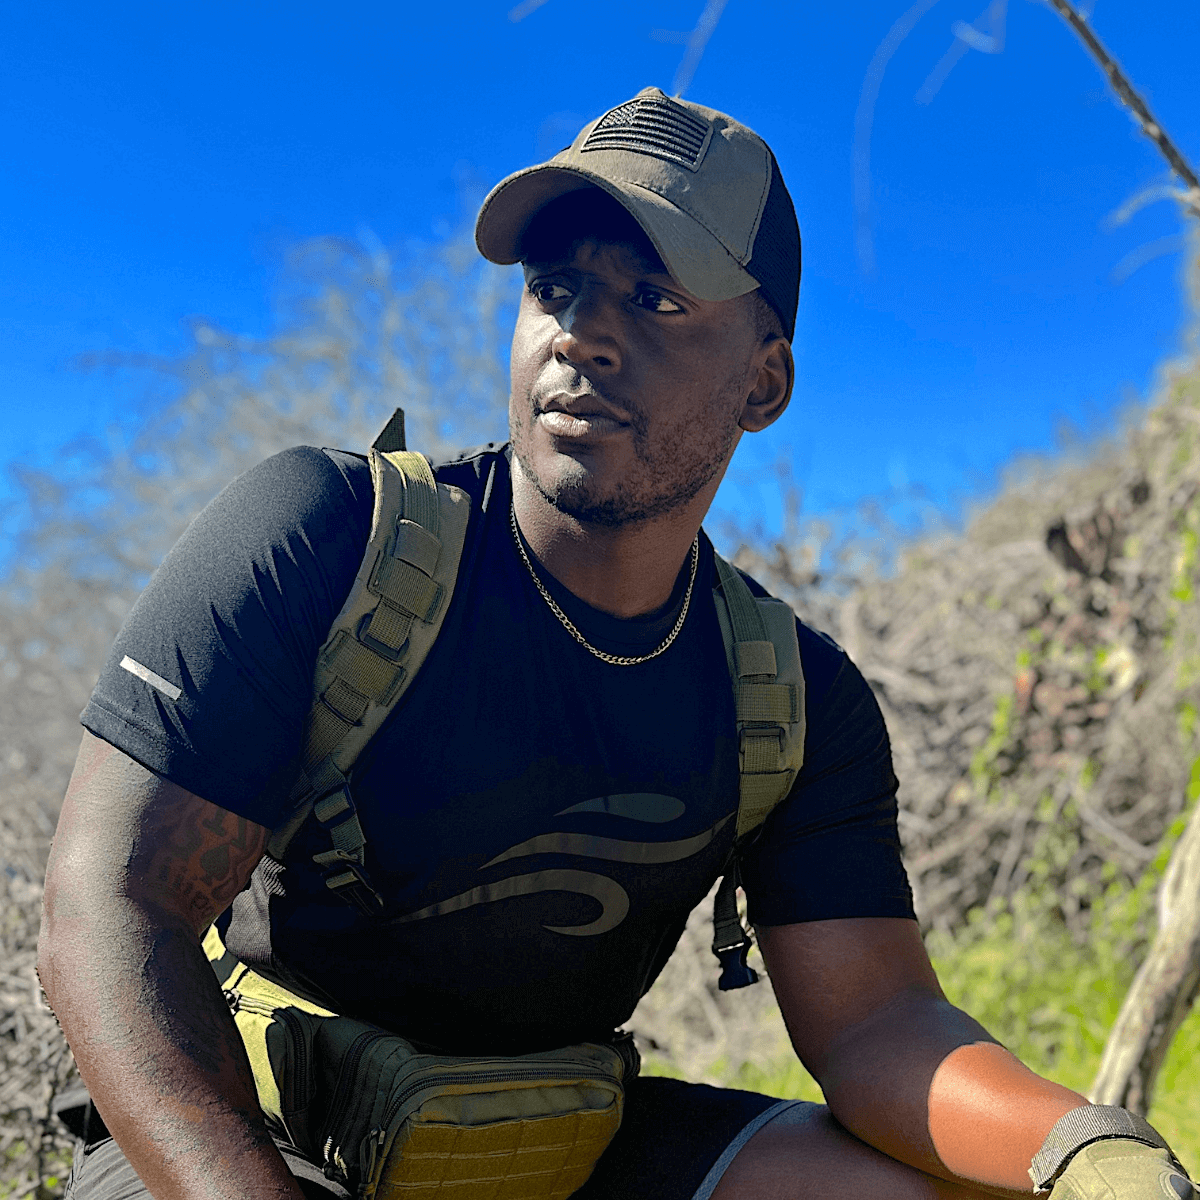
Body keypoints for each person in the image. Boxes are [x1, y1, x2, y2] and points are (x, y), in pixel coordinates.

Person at [39, 87, 1189, 1200]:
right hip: (263, 1143)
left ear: (765, 379)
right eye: (557, 289)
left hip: (555, 1150)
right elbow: (110, 907)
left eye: (656, 300)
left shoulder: (788, 697)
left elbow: (879, 1024)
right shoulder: (328, 541)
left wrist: (1084, 1147)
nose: (583, 335)